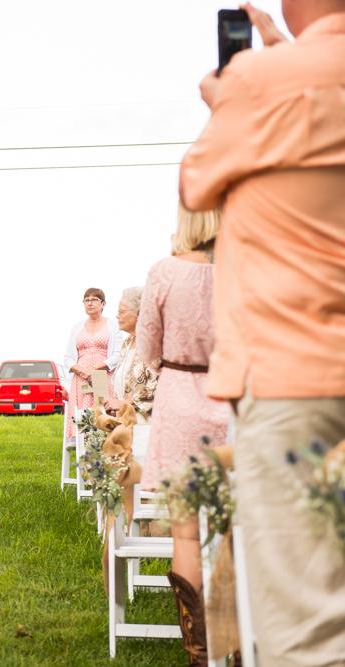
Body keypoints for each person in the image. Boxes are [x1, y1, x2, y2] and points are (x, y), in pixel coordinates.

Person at [180, 2, 345, 663]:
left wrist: (231, 97)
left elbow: (197, 184)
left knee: (308, 634)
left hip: (296, 377)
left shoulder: (263, 80)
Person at [136, 206, 229, 665]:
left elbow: (147, 348)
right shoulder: (243, 269)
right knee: (236, 530)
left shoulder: (163, 272)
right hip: (233, 404)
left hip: (178, 406)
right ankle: (237, 642)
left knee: (186, 536)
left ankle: (199, 650)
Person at [63, 288, 124, 439]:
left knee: (104, 413)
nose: (90, 303)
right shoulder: (77, 327)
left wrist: (94, 370)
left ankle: (106, 449)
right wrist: (82, 371)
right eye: (86, 300)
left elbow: (118, 355)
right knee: (83, 416)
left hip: (105, 378)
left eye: (94, 299)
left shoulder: (113, 325)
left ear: (103, 304)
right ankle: (83, 450)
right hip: (81, 379)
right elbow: (68, 358)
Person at [102, 286, 157, 424]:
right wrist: (114, 405)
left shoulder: (156, 343)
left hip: (147, 427)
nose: (117, 316)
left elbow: (157, 386)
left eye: (121, 311)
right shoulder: (127, 342)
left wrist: (123, 403)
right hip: (125, 423)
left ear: (139, 314)